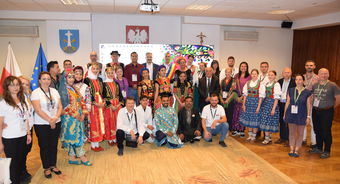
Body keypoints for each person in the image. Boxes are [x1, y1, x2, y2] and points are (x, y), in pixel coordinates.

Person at [0, 76, 32, 184]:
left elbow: (26, 118)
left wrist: (28, 133)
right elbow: (0, 124)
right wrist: (0, 143)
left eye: (17, 84)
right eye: (12, 85)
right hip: (10, 138)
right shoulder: (3, 103)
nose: (16, 87)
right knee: (13, 165)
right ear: (7, 87)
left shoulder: (22, 100)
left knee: (19, 162)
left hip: (22, 136)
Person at [31, 72, 63, 178]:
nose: (46, 81)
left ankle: (53, 165)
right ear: (39, 80)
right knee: (44, 146)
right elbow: (38, 110)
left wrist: (55, 118)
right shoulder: (35, 92)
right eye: (44, 79)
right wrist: (50, 120)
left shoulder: (54, 91)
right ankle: (46, 167)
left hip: (56, 121)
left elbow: (60, 107)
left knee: (53, 145)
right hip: (41, 124)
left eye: (48, 79)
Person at [59, 71, 92, 166]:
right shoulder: (63, 90)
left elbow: (82, 101)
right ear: (65, 78)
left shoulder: (74, 88)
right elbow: (65, 105)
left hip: (78, 117)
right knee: (75, 138)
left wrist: (83, 114)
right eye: (69, 77)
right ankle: (82, 157)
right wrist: (76, 115)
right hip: (69, 118)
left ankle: (72, 158)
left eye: (73, 77)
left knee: (77, 136)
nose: (72, 79)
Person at [310, 68, 340, 159]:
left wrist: (331, 107)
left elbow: (338, 98)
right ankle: (319, 148)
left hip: (327, 111)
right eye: (322, 73)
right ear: (318, 75)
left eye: (326, 73)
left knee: (326, 131)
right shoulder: (315, 85)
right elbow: (314, 97)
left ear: (328, 75)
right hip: (316, 110)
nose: (324, 75)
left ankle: (327, 150)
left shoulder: (332, 85)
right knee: (317, 129)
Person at [284, 74, 312, 157]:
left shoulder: (307, 92)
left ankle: (296, 150)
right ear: (295, 81)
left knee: (300, 133)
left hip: (302, 114)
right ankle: (291, 149)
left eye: (300, 79)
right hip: (291, 113)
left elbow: (309, 105)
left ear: (303, 81)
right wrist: (285, 114)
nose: (298, 81)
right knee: (292, 133)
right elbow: (287, 102)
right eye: (296, 80)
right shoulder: (291, 90)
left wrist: (308, 116)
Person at [84, 63, 105, 152]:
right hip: (92, 105)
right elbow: (87, 94)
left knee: (99, 123)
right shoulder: (86, 80)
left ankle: (97, 143)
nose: (96, 70)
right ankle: (93, 144)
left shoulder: (99, 79)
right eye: (94, 69)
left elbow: (102, 91)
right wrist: (95, 103)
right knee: (93, 124)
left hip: (100, 104)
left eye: (97, 69)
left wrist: (103, 101)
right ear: (90, 69)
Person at [18, 76, 34, 182]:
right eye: (22, 83)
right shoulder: (16, 98)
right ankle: (20, 173)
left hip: (29, 128)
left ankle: (23, 170)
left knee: (26, 151)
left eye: (27, 84)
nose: (25, 86)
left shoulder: (28, 96)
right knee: (20, 152)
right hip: (20, 130)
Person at [259, 70, 281, 144]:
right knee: (266, 121)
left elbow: (276, 98)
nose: (270, 76)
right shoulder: (267, 84)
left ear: (275, 76)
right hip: (266, 104)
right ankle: (268, 138)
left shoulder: (276, 84)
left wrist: (273, 108)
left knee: (269, 122)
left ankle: (267, 138)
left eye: (272, 75)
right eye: (269, 75)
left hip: (272, 104)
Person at [103, 67, 124, 146]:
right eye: (108, 73)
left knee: (117, 122)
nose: (110, 74)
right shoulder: (104, 84)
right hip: (109, 107)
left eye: (112, 73)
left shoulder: (116, 83)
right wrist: (111, 105)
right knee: (110, 122)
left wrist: (118, 105)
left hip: (117, 105)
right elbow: (104, 96)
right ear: (106, 74)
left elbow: (120, 96)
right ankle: (110, 138)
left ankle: (116, 138)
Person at [239, 69, 262, 142]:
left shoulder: (260, 83)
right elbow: (245, 95)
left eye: (255, 74)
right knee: (249, 120)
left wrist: (258, 106)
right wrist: (244, 104)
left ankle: (254, 136)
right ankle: (249, 135)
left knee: (254, 120)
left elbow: (261, 97)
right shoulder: (247, 83)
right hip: (248, 103)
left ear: (257, 75)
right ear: (251, 75)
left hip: (256, 103)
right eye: (252, 74)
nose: (254, 75)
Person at [276, 68, 296, 146]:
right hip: (281, 103)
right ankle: (282, 137)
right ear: (282, 73)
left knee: (288, 122)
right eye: (285, 72)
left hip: (290, 104)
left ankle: (289, 139)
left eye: (288, 72)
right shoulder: (279, 81)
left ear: (291, 73)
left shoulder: (294, 82)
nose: (286, 74)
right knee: (281, 120)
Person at [231, 62, 251, 137]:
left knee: (242, 113)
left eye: (245, 66)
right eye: (242, 66)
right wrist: (237, 97)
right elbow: (233, 87)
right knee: (236, 114)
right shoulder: (236, 76)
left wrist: (242, 97)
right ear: (239, 67)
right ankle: (236, 129)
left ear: (247, 67)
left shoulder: (249, 77)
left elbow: (249, 88)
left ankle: (242, 130)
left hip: (244, 97)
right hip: (236, 97)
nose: (243, 67)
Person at [303, 60, 319, 147]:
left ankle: (314, 142)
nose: (309, 67)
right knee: (302, 122)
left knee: (313, 123)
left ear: (314, 66)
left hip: (313, 104)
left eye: (311, 65)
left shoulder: (318, 78)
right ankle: (303, 139)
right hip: (302, 104)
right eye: (307, 65)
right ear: (305, 66)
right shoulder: (302, 77)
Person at [73, 66, 92, 140]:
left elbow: (88, 99)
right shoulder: (70, 85)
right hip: (72, 110)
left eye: (80, 74)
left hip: (82, 110)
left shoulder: (85, 86)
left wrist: (86, 110)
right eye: (76, 74)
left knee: (82, 128)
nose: (78, 76)